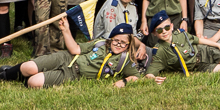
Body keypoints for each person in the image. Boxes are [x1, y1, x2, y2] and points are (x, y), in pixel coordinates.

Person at [11, 22, 145, 88]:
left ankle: (16, 75)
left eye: (123, 43)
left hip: (73, 74)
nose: (119, 45)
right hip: (67, 58)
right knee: (28, 67)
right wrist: (66, 30)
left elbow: (136, 77)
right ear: (110, 40)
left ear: (128, 45)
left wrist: (124, 81)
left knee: (33, 82)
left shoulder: (125, 59)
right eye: (116, 40)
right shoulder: (100, 43)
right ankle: (3, 75)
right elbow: (75, 49)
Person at [140, 13, 220, 81]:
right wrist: (153, 79)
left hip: (205, 52)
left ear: (172, 26)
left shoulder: (181, 34)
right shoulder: (160, 51)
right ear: (154, 33)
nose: (164, 32)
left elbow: (199, 40)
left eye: (167, 28)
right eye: (159, 30)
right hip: (200, 67)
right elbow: (150, 72)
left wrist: (219, 45)